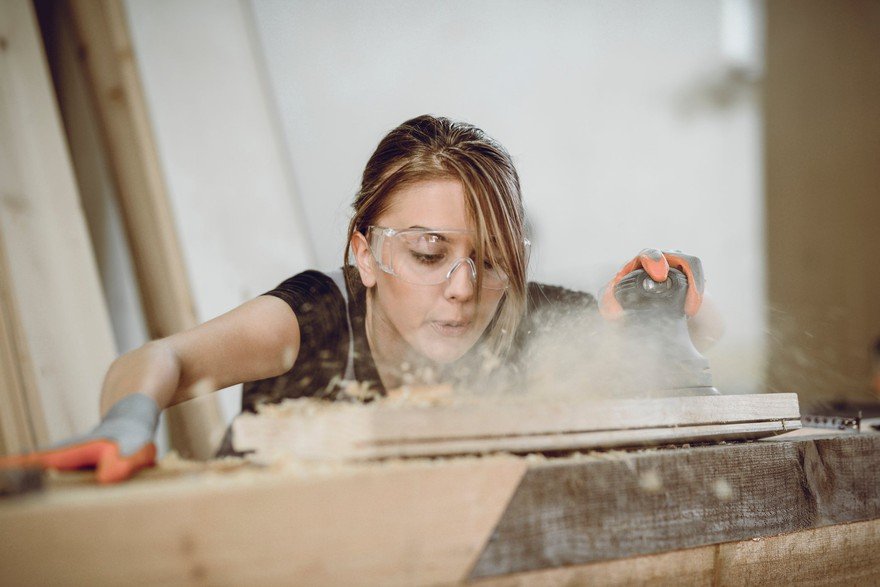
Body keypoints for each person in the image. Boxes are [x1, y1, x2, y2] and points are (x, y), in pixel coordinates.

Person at [0, 115, 722, 482]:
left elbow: (697, 339)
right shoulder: (317, 317)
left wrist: (673, 295)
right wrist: (130, 414)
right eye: (429, 254)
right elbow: (165, 360)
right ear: (364, 251)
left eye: (491, 260)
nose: (464, 289)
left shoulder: (523, 316)